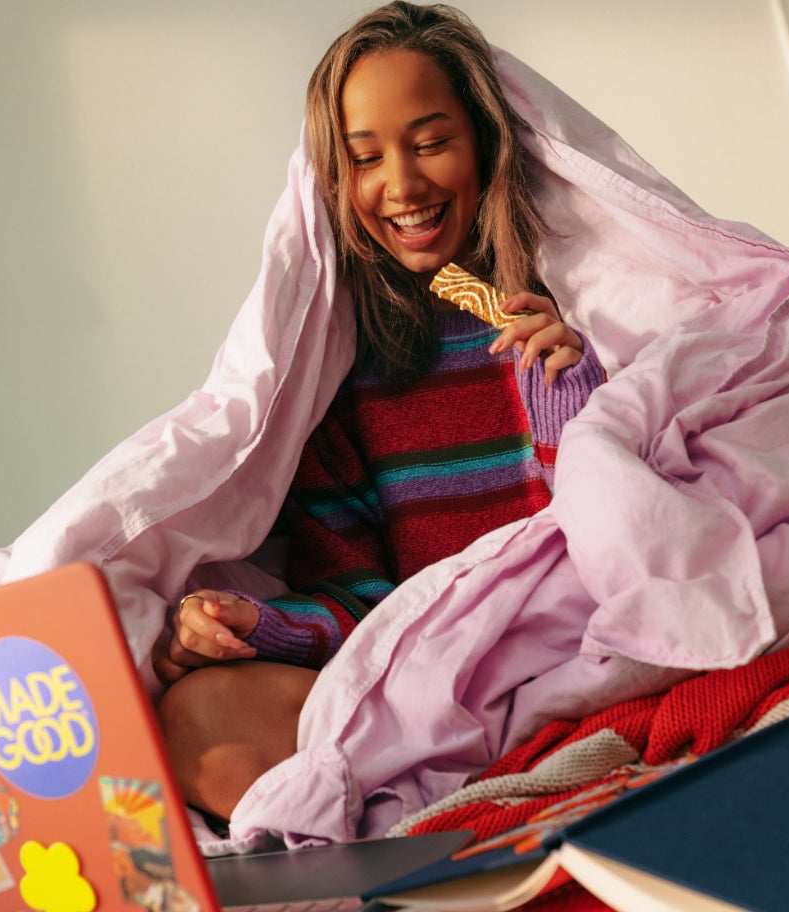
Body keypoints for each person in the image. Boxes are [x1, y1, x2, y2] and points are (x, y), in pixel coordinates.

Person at [148, 1, 607, 823]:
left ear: (487, 142)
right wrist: (255, 624)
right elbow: (357, 600)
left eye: (431, 142)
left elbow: (618, 538)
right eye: (366, 159)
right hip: (424, 688)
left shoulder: (586, 302)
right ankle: (424, 832)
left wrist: (568, 388)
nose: (402, 184)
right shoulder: (344, 375)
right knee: (199, 717)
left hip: (576, 654)